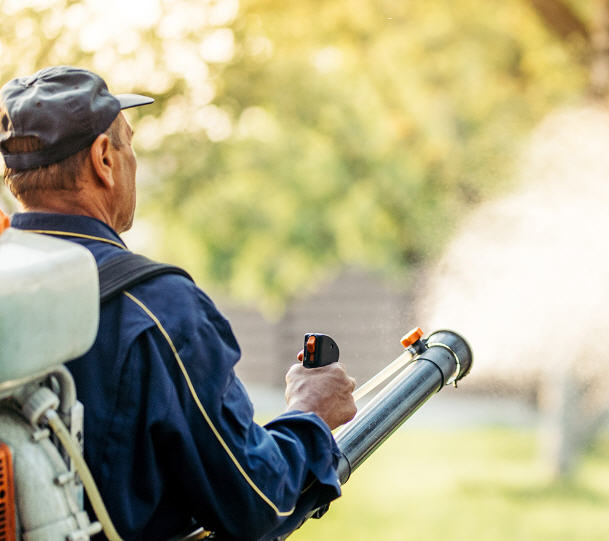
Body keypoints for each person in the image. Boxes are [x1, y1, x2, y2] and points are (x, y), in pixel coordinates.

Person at [0, 66, 358, 540]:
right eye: (129, 143)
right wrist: (311, 412)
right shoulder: (156, 308)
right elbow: (257, 499)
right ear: (104, 158)